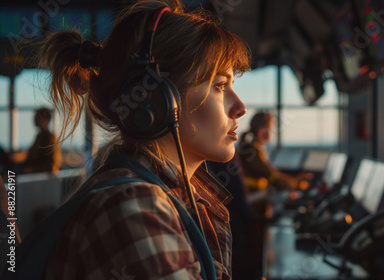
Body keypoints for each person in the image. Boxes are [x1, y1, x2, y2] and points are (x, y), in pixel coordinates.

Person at [26, 1, 250, 279]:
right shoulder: (133, 206)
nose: (240, 106)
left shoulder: (178, 197)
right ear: (158, 99)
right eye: (220, 85)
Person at [237, 112, 309, 192]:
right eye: (270, 127)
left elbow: (271, 172)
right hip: (253, 198)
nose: (271, 131)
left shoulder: (251, 147)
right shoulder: (251, 152)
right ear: (261, 130)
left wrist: (295, 179)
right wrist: (298, 184)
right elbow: (272, 176)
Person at [21, 108, 62, 174]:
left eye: (37, 117)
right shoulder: (40, 136)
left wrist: (32, 169)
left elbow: (51, 164)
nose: (34, 119)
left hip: (41, 178)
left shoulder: (49, 138)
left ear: (45, 119)